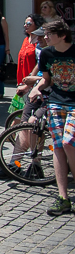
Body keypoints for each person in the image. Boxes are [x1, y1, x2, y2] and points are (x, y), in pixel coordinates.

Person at [26, 19, 75, 215]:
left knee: (69, 142)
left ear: (62, 36)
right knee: (58, 146)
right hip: (56, 102)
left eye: (48, 34)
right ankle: (63, 198)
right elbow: (47, 79)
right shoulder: (46, 54)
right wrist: (36, 88)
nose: (44, 37)